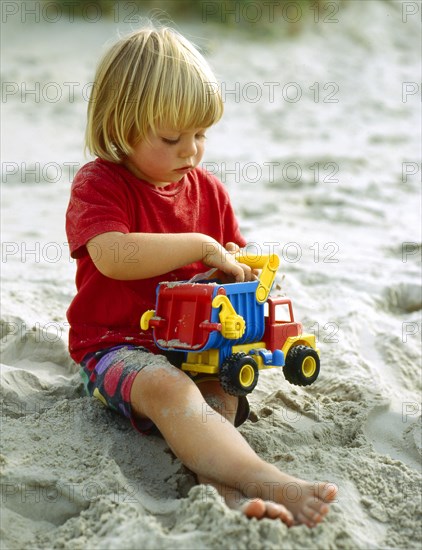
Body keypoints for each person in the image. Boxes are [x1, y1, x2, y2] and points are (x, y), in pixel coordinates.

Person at [66, 23, 337, 527]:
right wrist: (199, 245)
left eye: (200, 134)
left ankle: (221, 486)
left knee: (220, 393)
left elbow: (232, 257)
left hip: (202, 343)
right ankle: (261, 476)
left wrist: (242, 265)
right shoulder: (100, 184)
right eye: (172, 138)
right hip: (117, 345)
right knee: (171, 392)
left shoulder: (207, 190)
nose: (190, 151)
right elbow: (112, 255)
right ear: (120, 126)